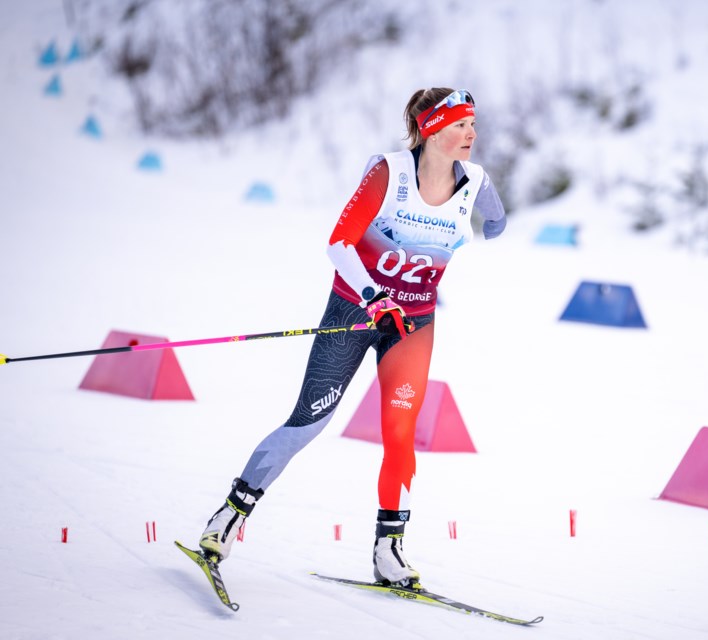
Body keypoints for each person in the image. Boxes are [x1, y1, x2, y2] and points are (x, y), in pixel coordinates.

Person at [197, 88, 506, 589]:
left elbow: (497, 221)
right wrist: (371, 295)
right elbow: (339, 241)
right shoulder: (389, 173)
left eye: (473, 125)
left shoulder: (475, 183)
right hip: (354, 312)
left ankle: (389, 552)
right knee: (308, 423)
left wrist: (486, 229)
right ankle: (225, 521)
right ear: (431, 129)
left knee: (401, 436)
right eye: (459, 125)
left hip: (414, 326)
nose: (471, 134)